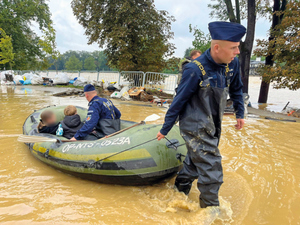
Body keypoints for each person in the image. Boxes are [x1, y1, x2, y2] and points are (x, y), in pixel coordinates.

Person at [156, 21, 246, 208]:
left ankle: (178, 192)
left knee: (195, 163)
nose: (237, 52)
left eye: (238, 47)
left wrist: (240, 112)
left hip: (213, 122)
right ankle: (210, 211)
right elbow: (178, 101)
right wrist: (166, 128)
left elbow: (237, 88)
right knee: (212, 167)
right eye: (234, 48)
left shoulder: (232, 63)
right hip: (194, 125)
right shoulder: (194, 69)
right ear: (216, 47)